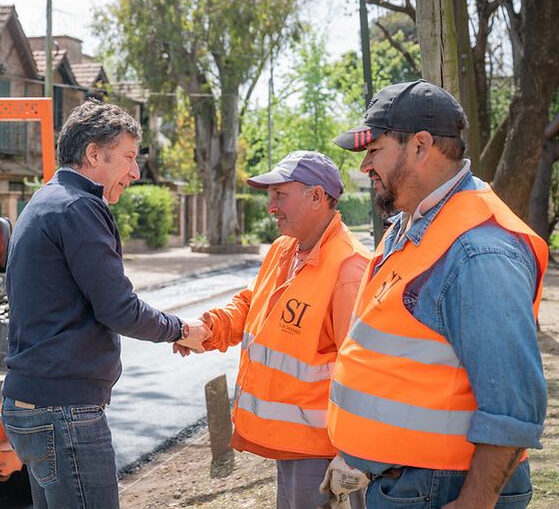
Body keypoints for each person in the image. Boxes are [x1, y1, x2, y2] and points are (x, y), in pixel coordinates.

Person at [324, 80, 548, 508]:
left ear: (421, 146)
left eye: (374, 151)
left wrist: (475, 501)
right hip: (402, 482)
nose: (365, 167)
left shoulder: (478, 251)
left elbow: (514, 404)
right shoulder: (411, 225)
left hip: (440, 489)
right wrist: (357, 455)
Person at [0, 100, 210, 509]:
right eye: (129, 158)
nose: (135, 172)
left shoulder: (47, 201)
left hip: (32, 406)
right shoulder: (80, 207)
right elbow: (119, 308)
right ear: (94, 153)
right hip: (64, 412)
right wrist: (181, 330)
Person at [176, 151, 370, 509]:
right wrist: (210, 328)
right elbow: (253, 304)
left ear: (317, 196)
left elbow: (361, 372)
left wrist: (353, 454)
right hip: (294, 445)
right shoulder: (285, 249)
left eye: (280, 195)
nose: (270, 206)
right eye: (270, 196)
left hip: (325, 455)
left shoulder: (349, 269)